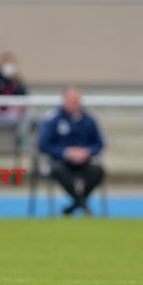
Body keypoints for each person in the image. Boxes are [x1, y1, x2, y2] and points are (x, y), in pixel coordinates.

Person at [38, 87, 106, 216]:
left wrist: (87, 152)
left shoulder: (89, 120)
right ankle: (81, 203)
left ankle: (75, 205)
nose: (76, 103)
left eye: (77, 100)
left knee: (98, 171)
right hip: (61, 162)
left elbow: (99, 144)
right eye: (72, 100)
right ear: (64, 101)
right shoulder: (53, 119)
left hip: (84, 162)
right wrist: (66, 152)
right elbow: (43, 145)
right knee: (57, 170)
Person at [0, 51, 35, 149]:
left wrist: (21, 106)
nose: (9, 66)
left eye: (12, 64)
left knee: (29, 111)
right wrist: (2, 103)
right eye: (7, 63)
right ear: (1, 64)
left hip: (13, 114)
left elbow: (25, 97)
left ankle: (21, 139)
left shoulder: (18, 80)